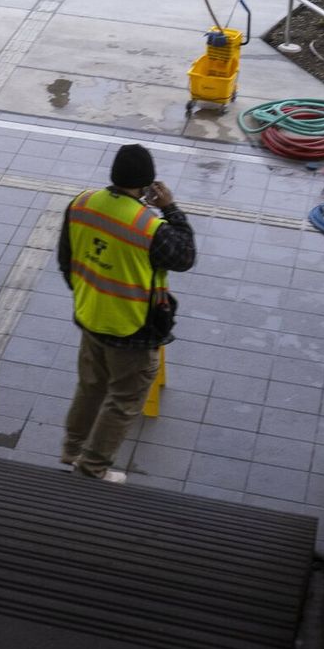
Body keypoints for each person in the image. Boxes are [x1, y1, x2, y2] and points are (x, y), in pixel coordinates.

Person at [57, 143, 197, 483]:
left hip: (90, 315)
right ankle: (92, 469)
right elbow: (185, 257)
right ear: (148, 184)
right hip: (132, 330)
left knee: (90, 386)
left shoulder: (82, 203)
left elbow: (66, 259)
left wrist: (89, 294)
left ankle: (72, 450)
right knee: (123, 401)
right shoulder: (149, 227)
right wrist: (172, 210)